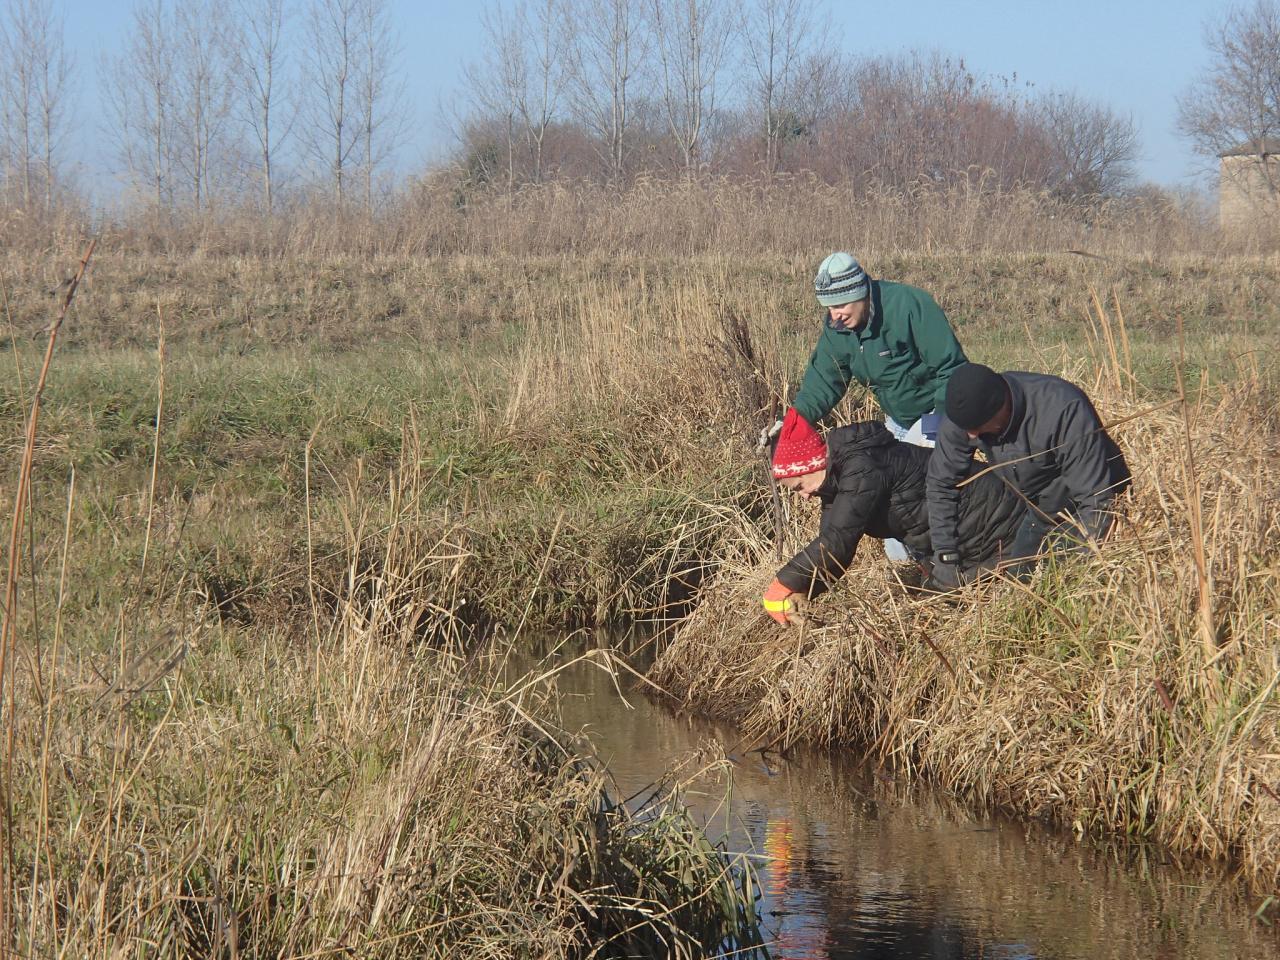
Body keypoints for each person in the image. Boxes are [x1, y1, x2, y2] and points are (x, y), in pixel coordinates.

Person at [761, 408, 1026, 625]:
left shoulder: (861, 466)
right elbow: (834, 547)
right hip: (963, 538)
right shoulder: (835, 479)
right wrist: (802, 590)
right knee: (936, 610)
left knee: (943, 616)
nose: (803, 496)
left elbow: (837, 540)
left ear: (812, 464)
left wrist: (780, 585)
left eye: (799, 487)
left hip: (997, 527)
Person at [792, 252, 968, 561]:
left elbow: (951, 368)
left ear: (861, 293)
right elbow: (824, 379)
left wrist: (939, 423)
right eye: (829, 307)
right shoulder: (838, 330)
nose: (835, 315)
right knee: (894, 510)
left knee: (926, 498)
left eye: (841, 305)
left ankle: (950, 561)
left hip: (935, 415)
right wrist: (796, 424)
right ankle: (911, 570)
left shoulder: (909, 306)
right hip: (897, 421)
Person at [924, 363, 1132, 592]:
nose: (971, 435)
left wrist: (1079, 575)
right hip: (1041, 510)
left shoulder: (1061, 408)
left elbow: (1097, 500)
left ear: (1001, 406)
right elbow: (941, 485)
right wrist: (945, 555)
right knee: (1019, 586)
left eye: (977, 427)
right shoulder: (965, 417)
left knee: (1055, 579)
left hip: (1094, 498)